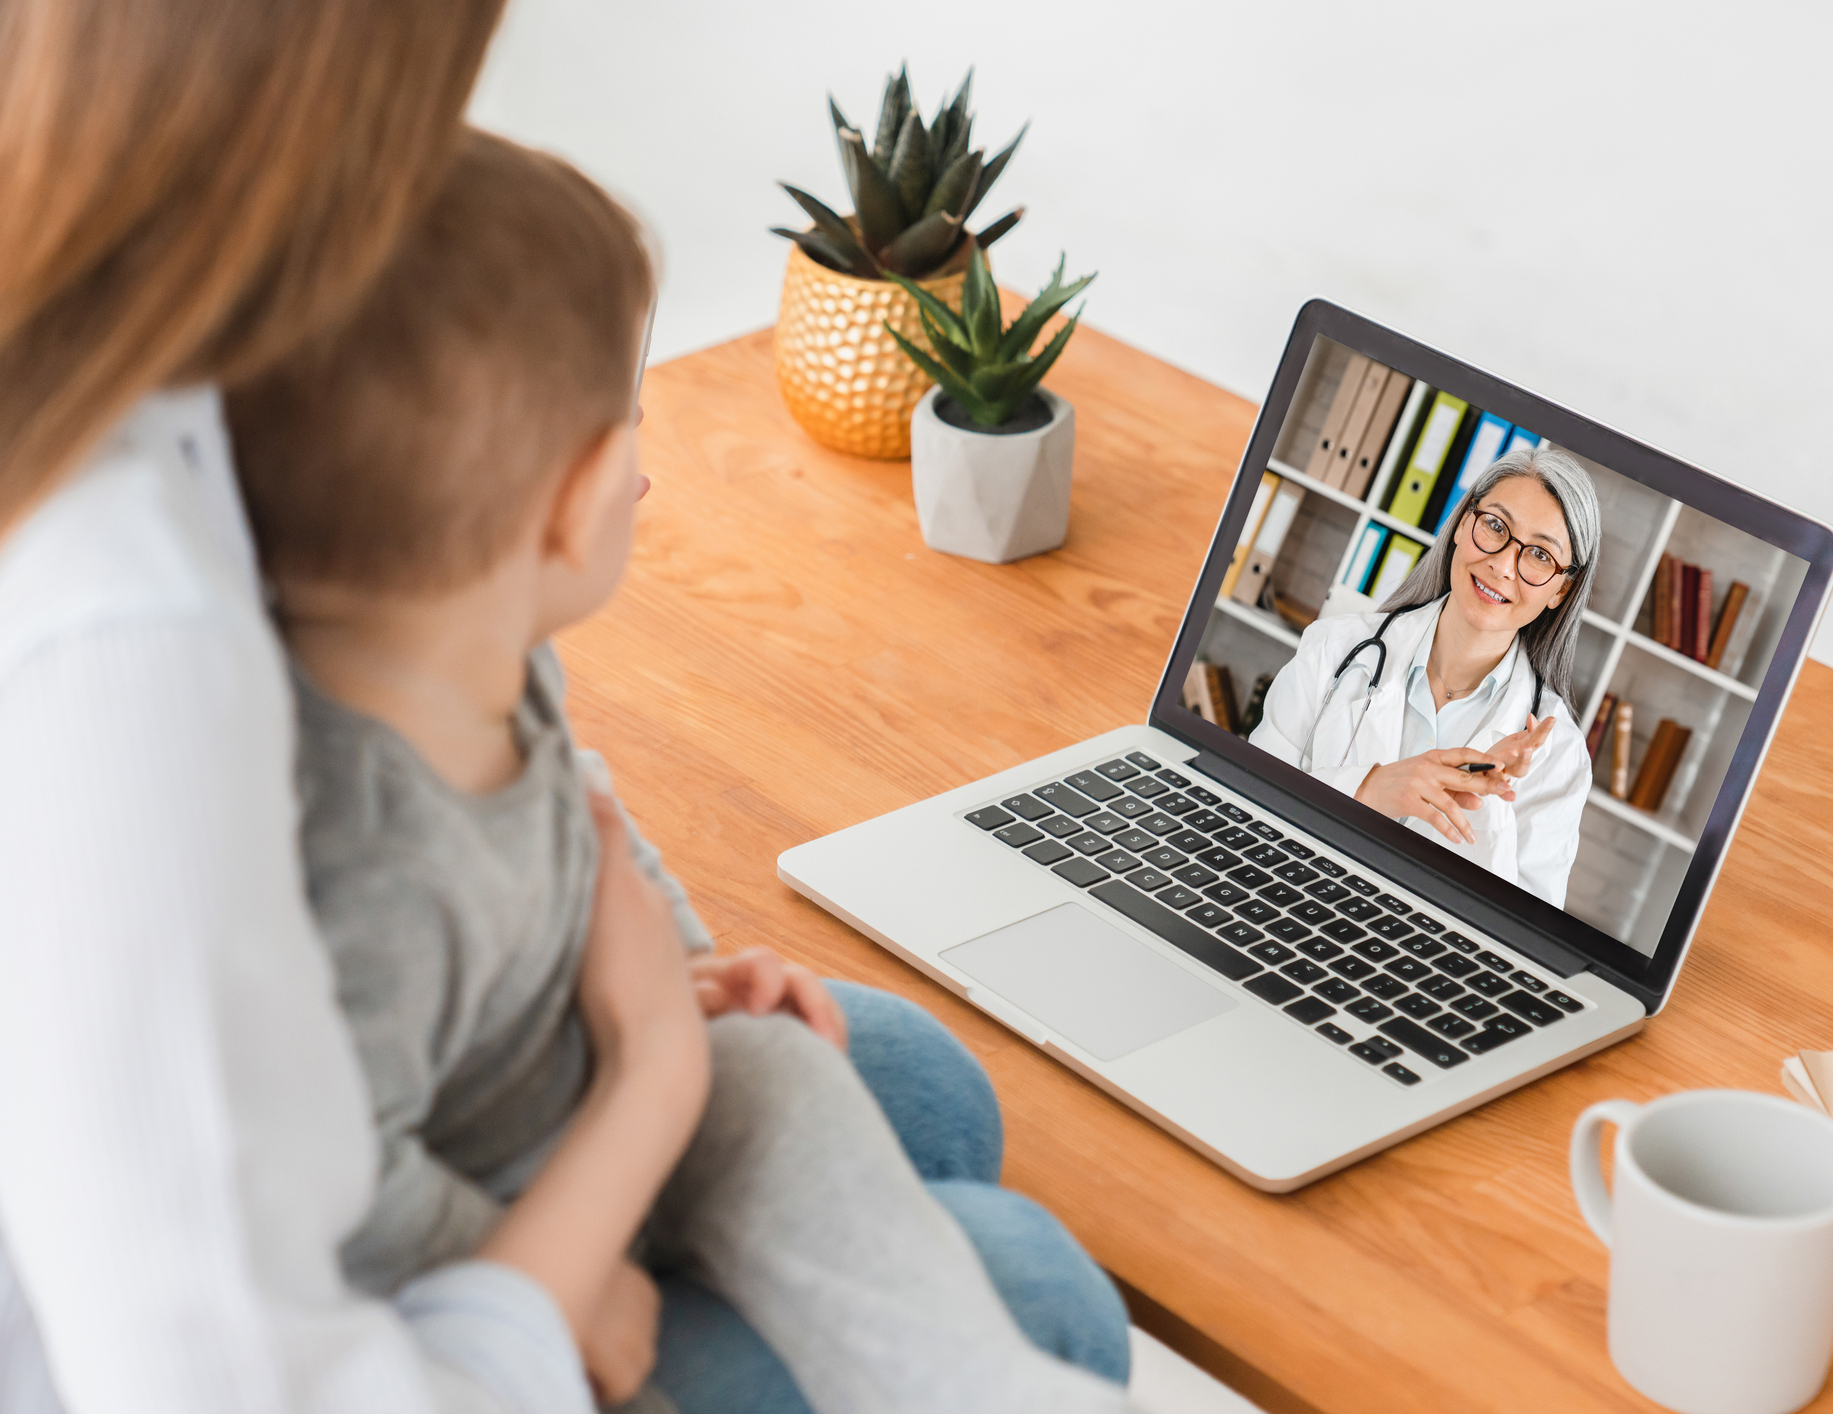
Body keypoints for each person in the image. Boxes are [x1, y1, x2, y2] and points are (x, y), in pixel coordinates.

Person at [0, 4, 1124, 1411]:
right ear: (581, 502)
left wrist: (689, 978)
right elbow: (333, 1185)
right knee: (1027, 1263)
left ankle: (962, 1373)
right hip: (448, 1241)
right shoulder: (324, 821)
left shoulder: (474, 650)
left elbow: (580, 819)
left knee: (868, 1073)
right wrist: (550, 1266)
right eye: (635, 427)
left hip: (544, 1068)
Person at [1250, 446, 1602, 907]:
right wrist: (1370, 788)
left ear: (1561, 589)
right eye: (1495, 526)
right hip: (1285, 903)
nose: (1502, 564)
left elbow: (1517, 938)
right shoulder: (1332, 648)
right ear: (1462, 524)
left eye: (1538, 554)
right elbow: (1247, 809)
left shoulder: (1560, 757)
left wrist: (1487, 795)